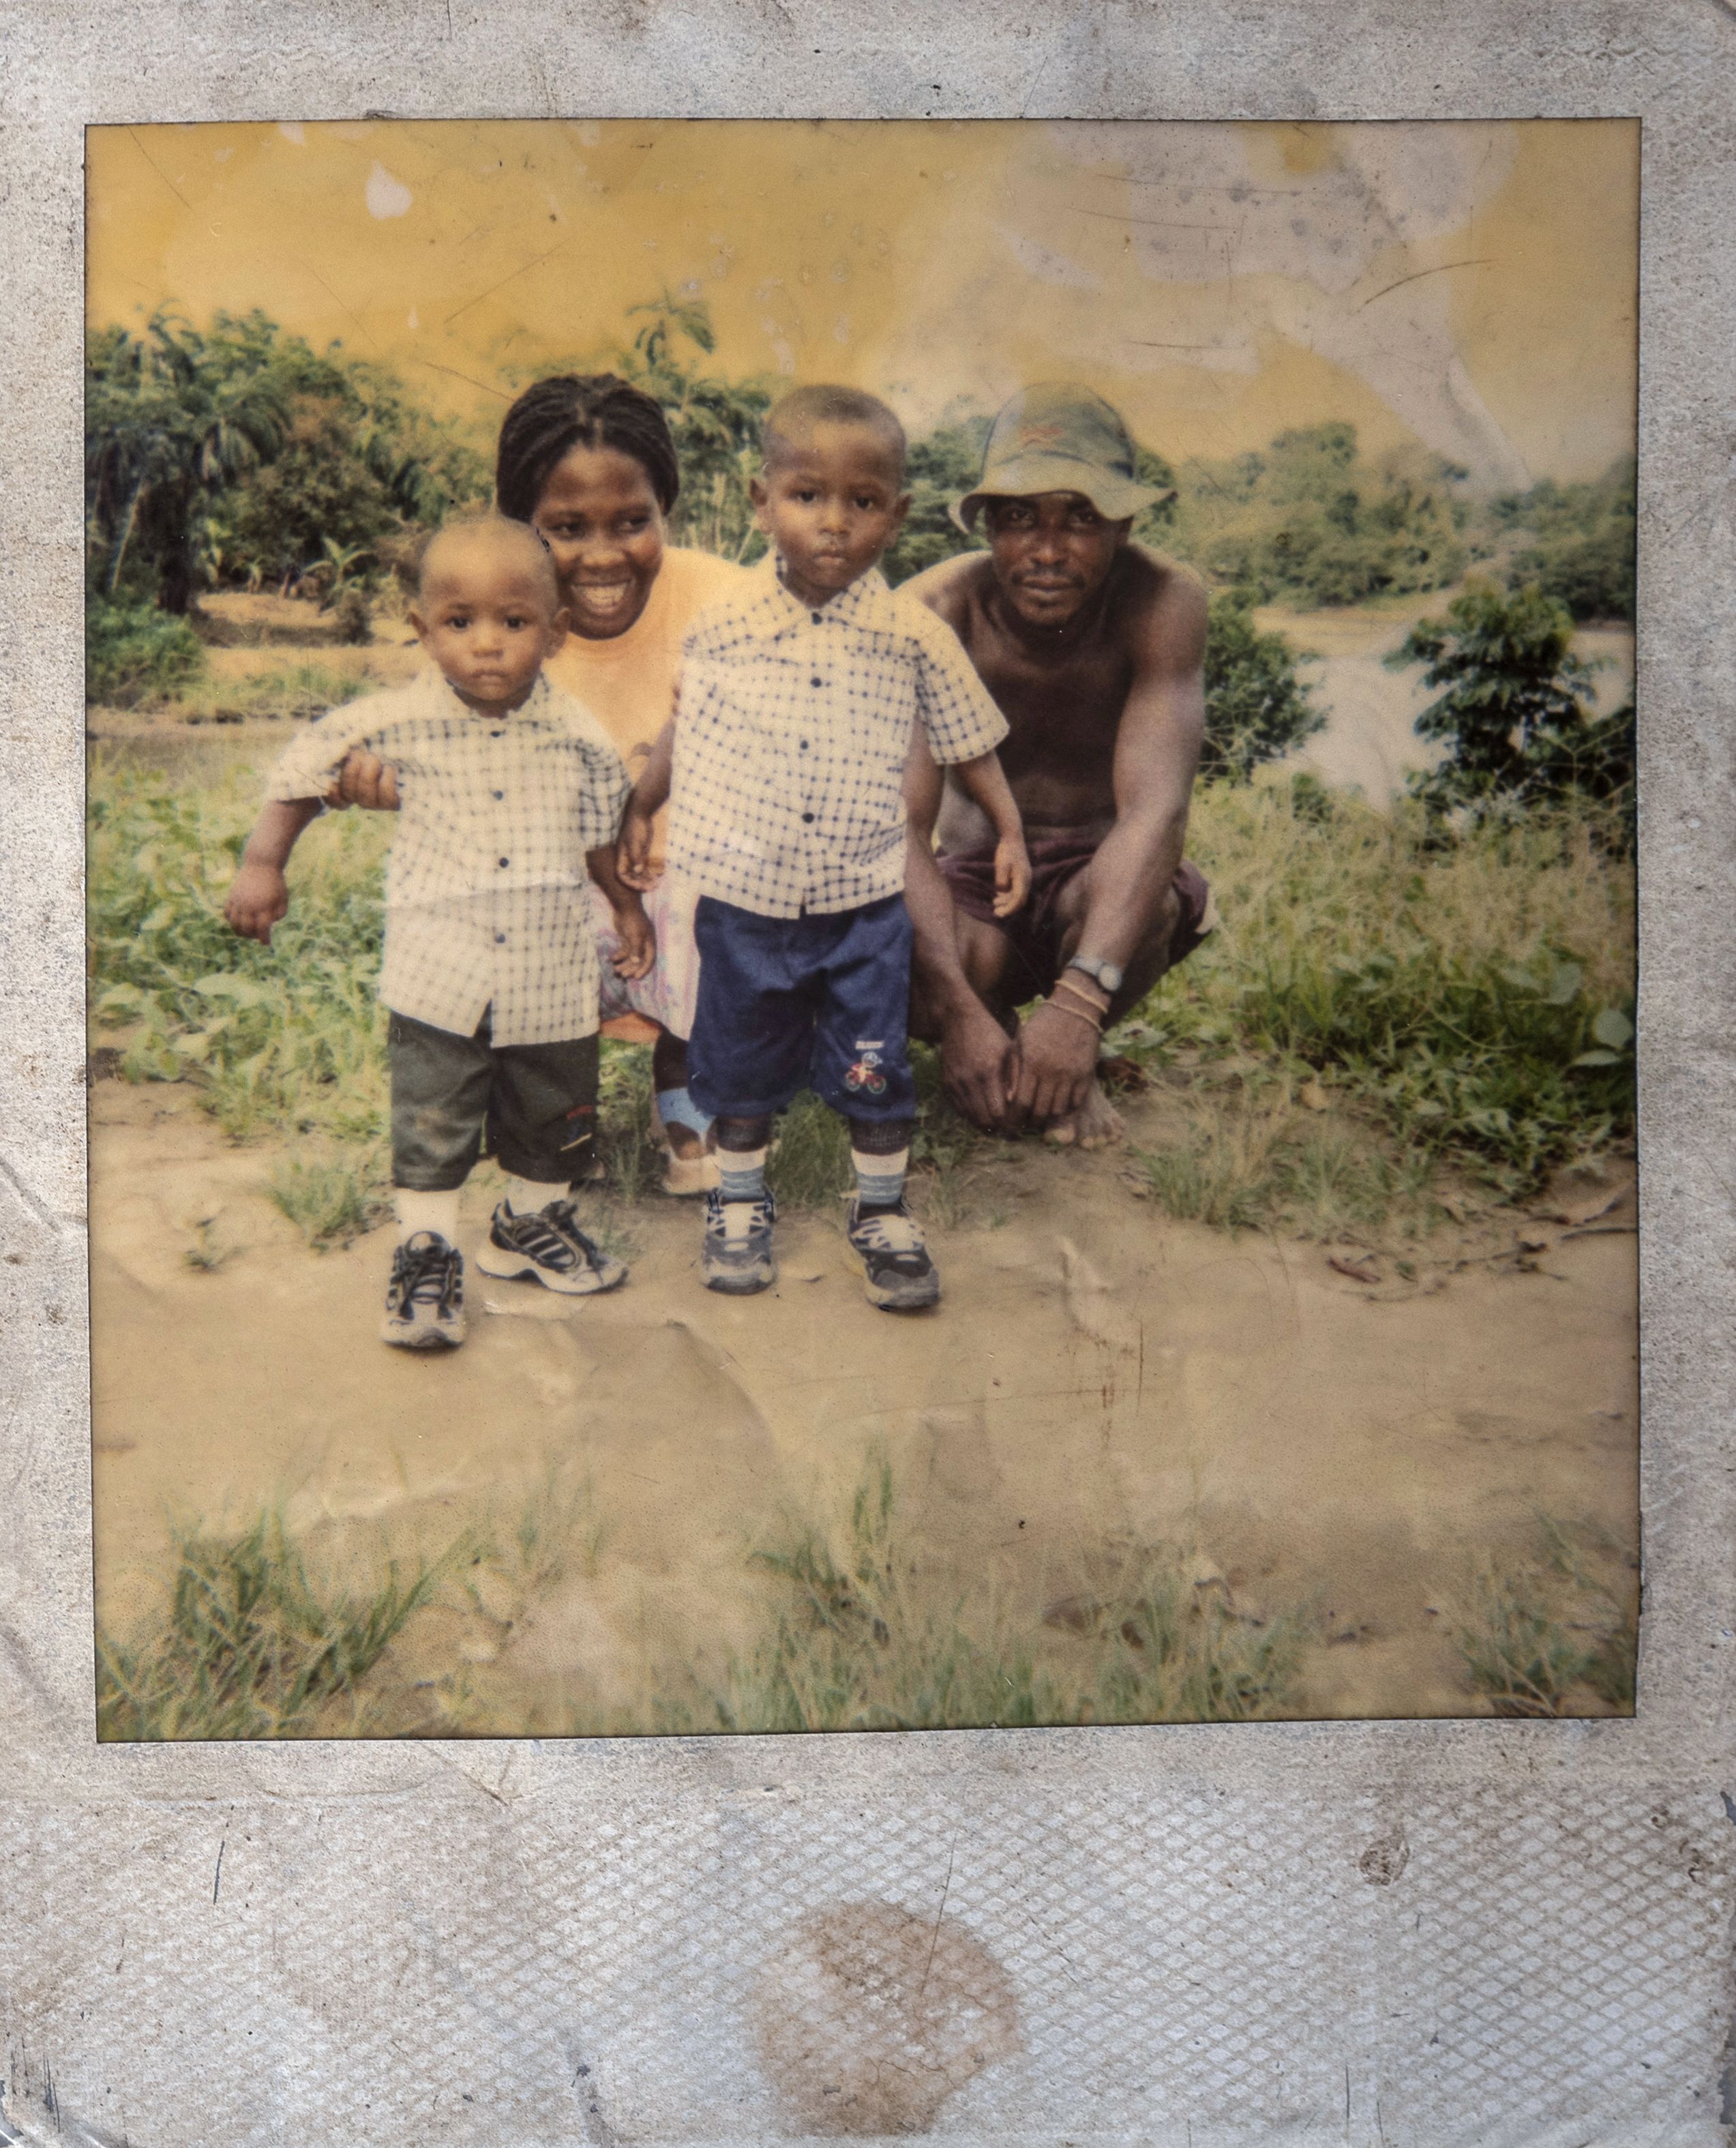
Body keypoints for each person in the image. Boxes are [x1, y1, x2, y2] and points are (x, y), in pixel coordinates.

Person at [618, 385, 1030, 1311]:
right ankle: (737, 1202)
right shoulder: (722, 624)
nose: (833, 523)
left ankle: (880, 1210)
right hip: (743, 902)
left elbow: (968, 737)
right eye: (807, 496)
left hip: (863, 906)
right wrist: (642, 806)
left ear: (898, 516)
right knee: (740, 1062)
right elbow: (684, 733)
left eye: (862, 501)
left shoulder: (913, 637)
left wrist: (1005, 826)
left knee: (871, 1063)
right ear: (763, 502)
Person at [224, 515, 643, 1351]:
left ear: (555, 633)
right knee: (432, 1114)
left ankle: (526, 1224)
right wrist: (264, 864)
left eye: (514, 623)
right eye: (460, 623)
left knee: (552, 1107)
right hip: (438, 968)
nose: (486, 645)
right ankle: (427, 1248)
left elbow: (600, 832)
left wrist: (625, 907)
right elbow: (300, 774)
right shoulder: (389, 722)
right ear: (422, 630)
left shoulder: (580, 738)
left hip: (550, 970)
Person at [333, 374, 755, 1195]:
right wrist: (375, 774)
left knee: (720, 917)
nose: (601, 555)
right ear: (523, 527)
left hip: (706, 889)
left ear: (663, 510)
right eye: (566, 528)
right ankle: (539, 1120)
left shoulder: (731, 607)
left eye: (632, 523)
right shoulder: (499, 627)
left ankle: (694, 1107)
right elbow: (410, 728)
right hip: (556, 898)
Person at [900, 382, 1215, 1148]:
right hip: (974, 881)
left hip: (1096, 886)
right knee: (882, 955)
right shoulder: (931, 614)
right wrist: (960, 1015)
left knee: (1158, 902)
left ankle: (1070, 1044)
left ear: (1124, 523)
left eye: (1080, 517)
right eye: (1018, 519)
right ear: (988, 529)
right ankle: (1002, 1032)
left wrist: (1077, 1006)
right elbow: (895, 831)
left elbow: (1156, 811)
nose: (1046, 550)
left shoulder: (1162, 602)